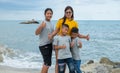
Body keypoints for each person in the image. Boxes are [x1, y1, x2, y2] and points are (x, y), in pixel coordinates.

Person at [48, 6, 89, 73]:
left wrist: (85, 37)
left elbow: (77, 34)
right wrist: (51, 35)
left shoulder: (74, 22)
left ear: (72, 13)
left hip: (69, 43)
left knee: (70, 61)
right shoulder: (60, 21)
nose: (68, 13)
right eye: (67, 12)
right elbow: (56, 31)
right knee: (58, 62)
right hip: (60, 43)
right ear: (65, 13)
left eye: (69, 12)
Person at [35, 8, 54, 73]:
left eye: (50, 14)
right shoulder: (43, 22)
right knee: (47, 63)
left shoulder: (51, 23)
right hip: (44, 45)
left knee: (47, 63)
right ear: (45, 14)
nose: (49, 15)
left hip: (49, 45)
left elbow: (52, 35)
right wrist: (41, 26)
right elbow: (36, 33)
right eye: (48, 13)